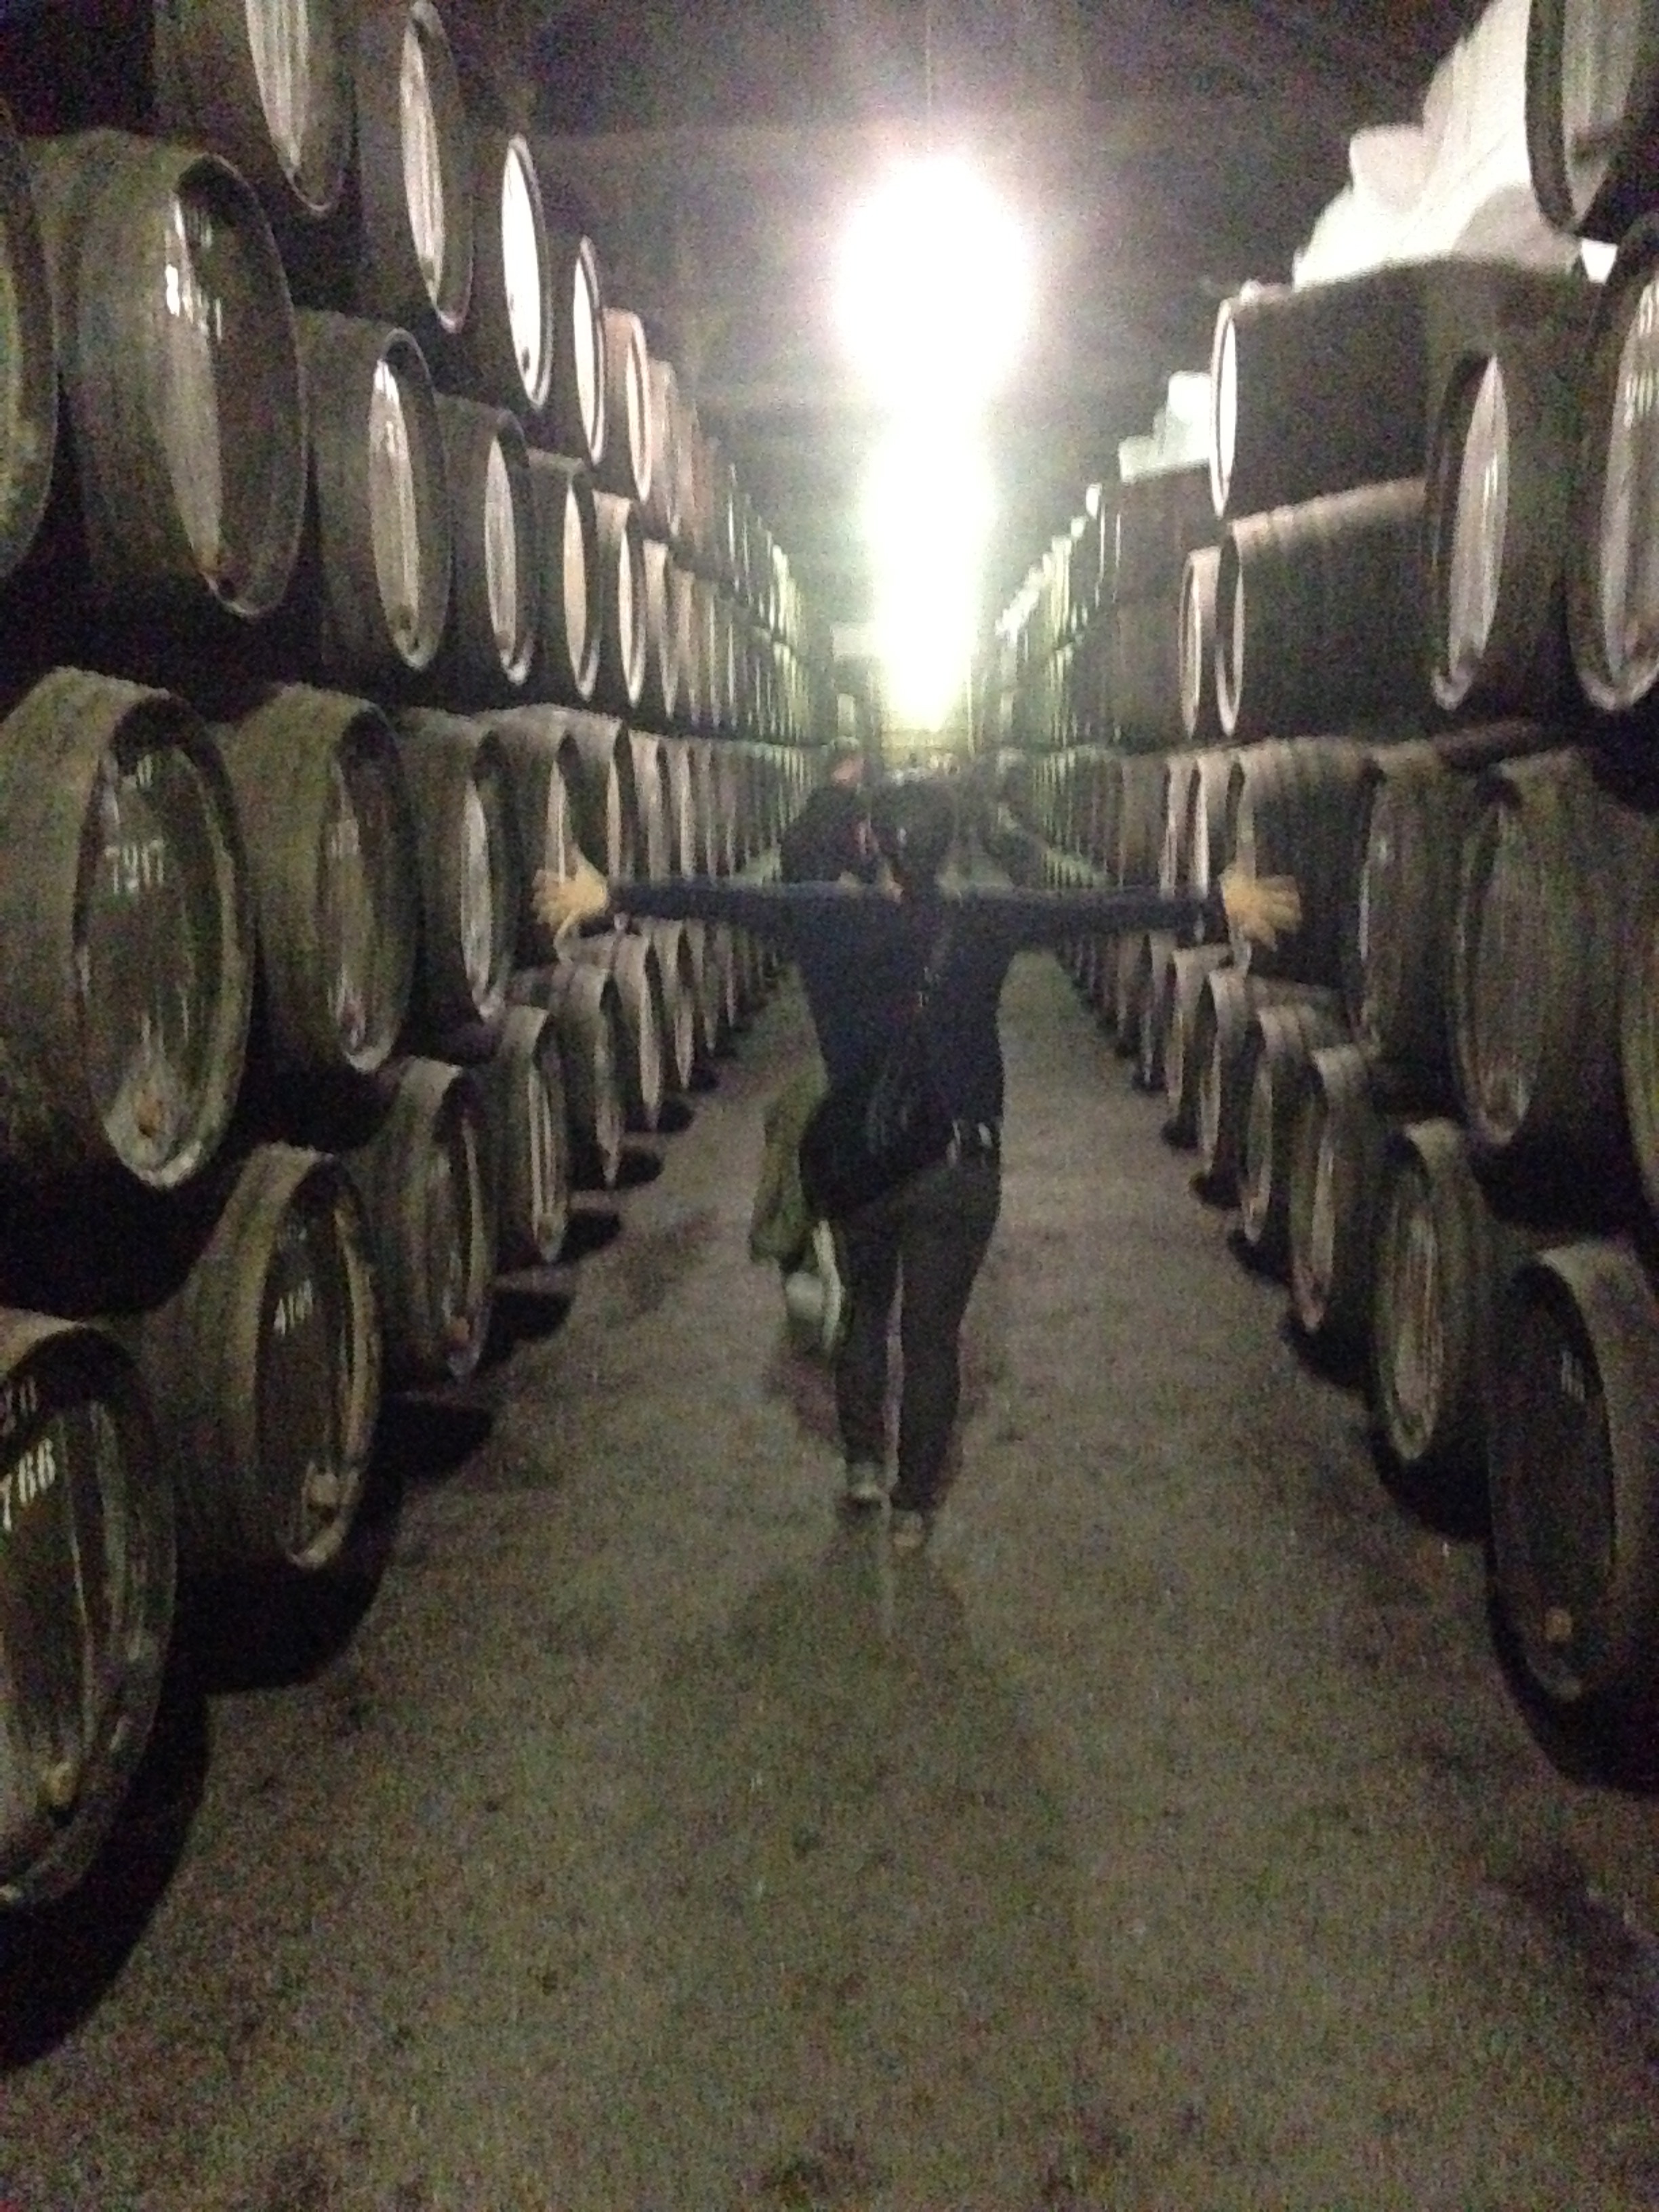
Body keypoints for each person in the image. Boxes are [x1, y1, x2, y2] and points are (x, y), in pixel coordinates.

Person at [537, 778, 1298, 1553]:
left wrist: (612, 894)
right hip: (962, 1168)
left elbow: (718, 900)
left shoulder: (821, 914)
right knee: (932, 1341)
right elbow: (1100, 911)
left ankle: (864, 1466)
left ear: (872, 842)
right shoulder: (988, 918)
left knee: (865, 1316)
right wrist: (1216, 902)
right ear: (949, 842)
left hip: (866, 1164)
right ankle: (912, 1507)